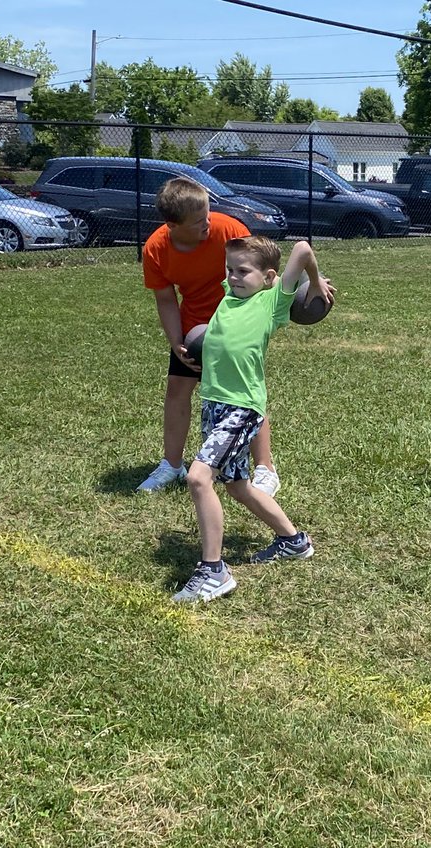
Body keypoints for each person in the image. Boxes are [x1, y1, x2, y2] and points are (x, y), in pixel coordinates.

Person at [171, 236, 335, 603]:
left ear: (268, 277)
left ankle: (214, 571)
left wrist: (315, 280)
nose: (233, 277)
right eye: (230, 271)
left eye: (243, 271)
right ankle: (294, 541)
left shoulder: (272, 303)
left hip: (241, 408)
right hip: (213, 404)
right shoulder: (230, 297)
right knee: (237, 485)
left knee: (199, 478)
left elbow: (304, 248)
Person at [138, 177, 281, 496]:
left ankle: (265, 469)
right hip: (196, 327)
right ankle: (172, 466)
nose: (208, 222)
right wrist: (177, 342)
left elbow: (263, 271)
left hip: (236, 321)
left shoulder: (228, 229)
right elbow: (165, 299)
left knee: (245, 395)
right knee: (177, 388)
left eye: (207, 214)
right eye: (199, 221)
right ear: (173, 225)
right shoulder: (156, 249)